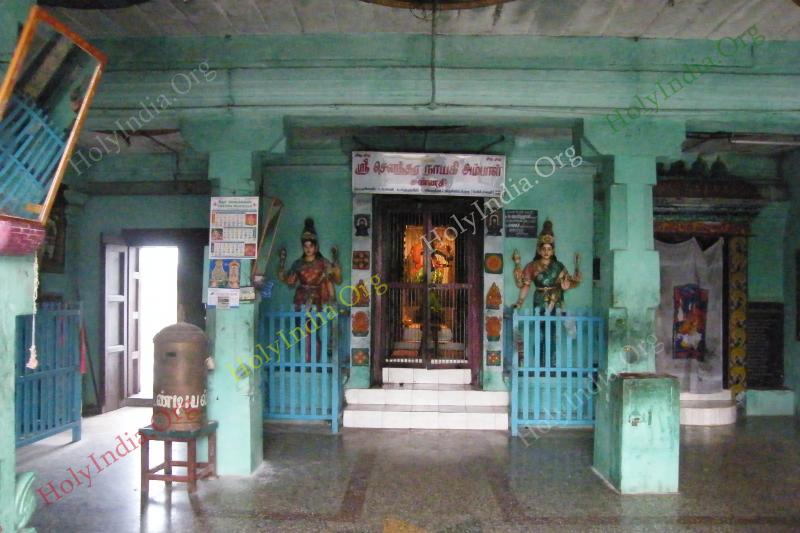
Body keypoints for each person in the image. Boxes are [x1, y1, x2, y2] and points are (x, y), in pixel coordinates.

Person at [512, 220, 581, 370]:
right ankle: (540, 362)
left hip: (555, 300)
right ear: (539, 249)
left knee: (554, 331)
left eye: (549, 249)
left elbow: (567, 283)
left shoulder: (559, 266)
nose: (546, 252)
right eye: (544, 248)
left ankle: (552, 362)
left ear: (553, 250)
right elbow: (525, 285)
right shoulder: (532, 266)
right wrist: (520, 301)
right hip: (540, 299)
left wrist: (566, 284)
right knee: (540, 330)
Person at [278, 218, 342, 309]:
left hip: (318, 298)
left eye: (311, 246)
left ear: (315, 246)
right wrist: (282, 267)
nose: (308, 249)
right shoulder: (298, 264)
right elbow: (291, 282)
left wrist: (336, 270)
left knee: (318, 321)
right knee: (299, 321)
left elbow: (334, 280)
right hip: (300, 299)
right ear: (302, 247)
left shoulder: (323, 262)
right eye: (305, 246)